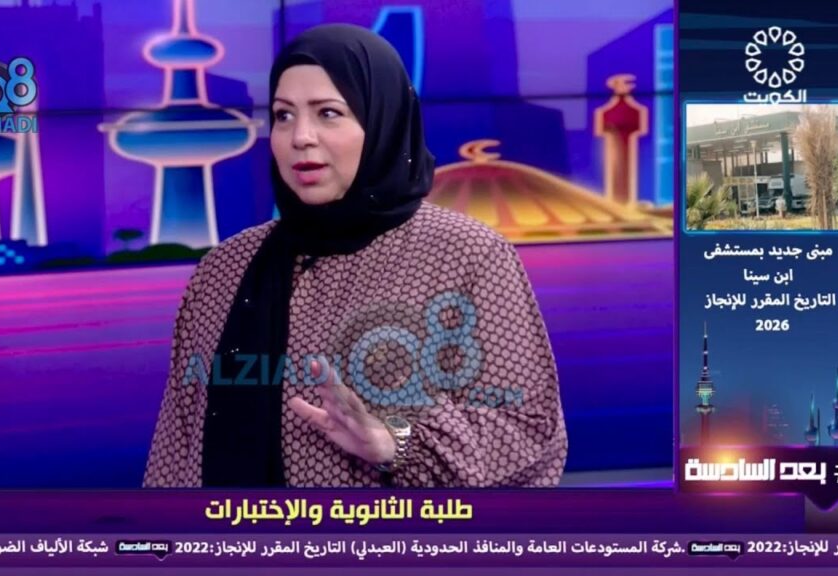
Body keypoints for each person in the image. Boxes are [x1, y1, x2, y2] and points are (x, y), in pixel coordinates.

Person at [143, 24, 567, 488]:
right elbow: (176, 447)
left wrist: (393, 443)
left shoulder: (466, 254)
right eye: (283, 115)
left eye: (328, 113)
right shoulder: (224, 269)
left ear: (383, 121)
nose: (301, 136)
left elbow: (526, 429)